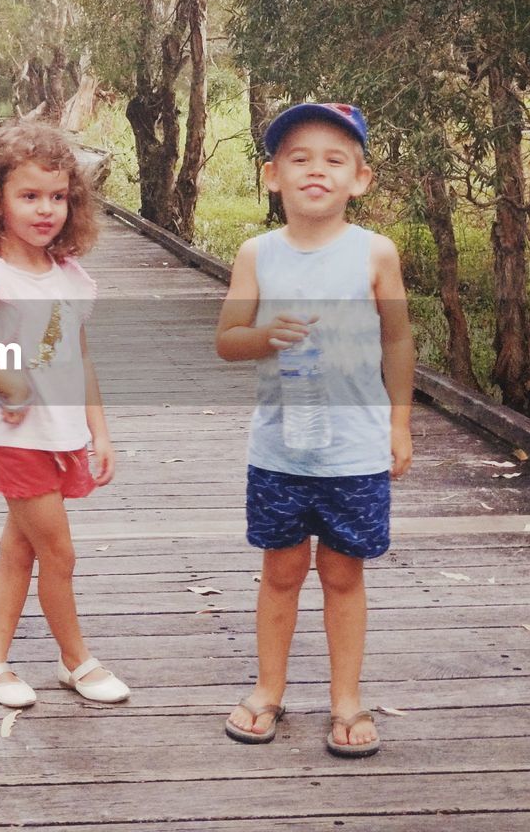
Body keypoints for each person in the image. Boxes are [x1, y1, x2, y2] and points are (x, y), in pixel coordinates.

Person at [214, 102, 414, 756]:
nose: (316, 172)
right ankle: (268, 690)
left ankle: (346, 701)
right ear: (273, 175)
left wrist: (401, 420)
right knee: (280, 571)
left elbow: (398, 339)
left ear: (361, 178)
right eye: (299, 159)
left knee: (343, 574)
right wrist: (263, 337)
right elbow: (227, 342)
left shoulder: (375, 254)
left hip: (354, 450)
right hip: (279, 448)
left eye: (334, 159)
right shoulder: (257, 254)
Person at [0, 120, 130, 709]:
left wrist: (99, 429)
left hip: (64, 436)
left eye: (58, 196)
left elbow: (82, 355)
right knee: (59, 554)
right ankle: (78, 661)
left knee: (18, 552)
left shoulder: (69, 276)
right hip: (19, 440)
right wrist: (8, 382)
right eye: (29, 196)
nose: (46, 210)